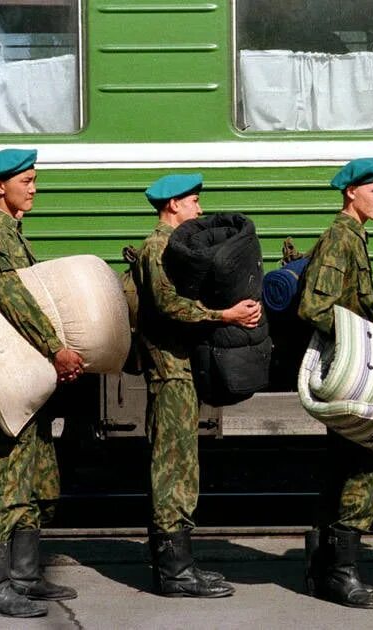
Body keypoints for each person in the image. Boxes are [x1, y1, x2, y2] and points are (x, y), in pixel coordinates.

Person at [0, 148, 83, 618]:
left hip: (25, 367)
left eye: (34, 180)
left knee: (28, 475)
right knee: (4, 478)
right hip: (9, 372)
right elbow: (15, 299)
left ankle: (25, 576)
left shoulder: (10, 231)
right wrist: (55, 347)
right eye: (26, 181)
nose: (33, 188)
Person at [135, 173, 260, 598]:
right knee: (173, 466)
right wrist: (224, 316)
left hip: (181, 369)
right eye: (193, 202)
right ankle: (174, 573)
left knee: (183, 464)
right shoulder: (158, 248)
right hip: (169, 371)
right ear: (172, 206)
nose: (199, 210)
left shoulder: (177, 248)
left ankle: (182, 566)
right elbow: (169, 305)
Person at [297, 157, 373, 610]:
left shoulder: (352, 237)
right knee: (365, 466)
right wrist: (359, 341)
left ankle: (320, 567)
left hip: (357, 369)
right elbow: (315, 308)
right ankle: (342, 572)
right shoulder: (340, 240)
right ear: (351, 193)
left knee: (340, 464)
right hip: (354, 373)